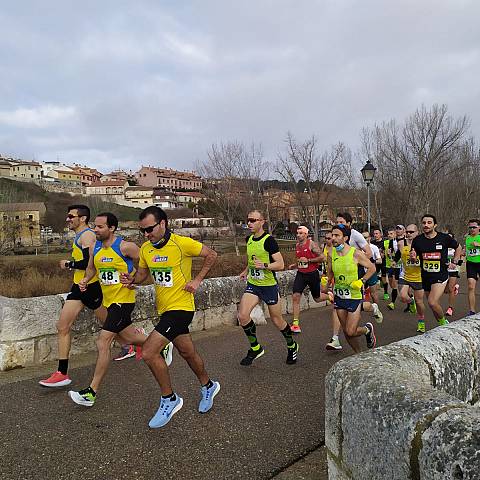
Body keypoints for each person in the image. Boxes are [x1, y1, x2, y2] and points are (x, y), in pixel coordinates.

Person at [121, 206, 219, 428]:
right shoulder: (146, 249)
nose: (146, 234)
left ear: (163, 224)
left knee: (148, 352)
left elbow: (211, 255)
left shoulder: (181, 243)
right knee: (187, 352)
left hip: (182, 307)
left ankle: (169, 399)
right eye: (143, 231)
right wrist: (133, 280)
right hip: (164, 309)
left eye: (150, 229)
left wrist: (197, 280)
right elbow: (144, 274)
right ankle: (208, 385)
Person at [67, 212, 173, 406]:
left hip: (123, 301)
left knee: (103, 341)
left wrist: (134, 277)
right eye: (94, 226)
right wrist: (84, 279)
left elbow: (146, 260)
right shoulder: (95, 248)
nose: (95, 230)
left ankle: (91, 392)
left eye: (100, 227)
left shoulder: (125, 246)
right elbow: (91, 268)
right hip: (109, 301)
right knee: (130, 337)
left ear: (112, 228)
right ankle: (163, 344)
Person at [39, 205, 107, 387]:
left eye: (71, 216)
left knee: (114, 327)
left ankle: (146, 342)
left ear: (82, 218)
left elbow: (90, 263)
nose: (67, 219)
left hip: (91, 286)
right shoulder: (80, 236)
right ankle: (62, 373)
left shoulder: (87, 235)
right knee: (62, 326)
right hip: (78, 287)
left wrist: (69, 264)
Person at [238, 210, 299, 365]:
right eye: (248, 220)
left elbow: (280, 264)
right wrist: (246, 271)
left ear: (262, 222)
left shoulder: (269, 241)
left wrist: (265, 266)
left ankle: (292, 345)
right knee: (243, 316)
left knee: (277, 320)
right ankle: (256, 347)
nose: (249, 223)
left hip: (268, 286)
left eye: (253, 220)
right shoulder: (249, 239)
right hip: (254, 284)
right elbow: (252, 260)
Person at [326, 212, 374, 351]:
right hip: (339, 295)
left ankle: (367, 330)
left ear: (345, 238)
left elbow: (372, 268)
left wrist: (362, 281)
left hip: (354, 295)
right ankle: (358, 355)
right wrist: (326, 284)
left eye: (336, 236)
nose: (333, 239)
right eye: (332, 235)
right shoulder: (331, 253)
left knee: (351, 330)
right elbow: (330, 272)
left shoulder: (355, 253)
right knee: (347, 331)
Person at [410, 214, 461, 329]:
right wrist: (413, 257)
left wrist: (455, 260)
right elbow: (414, 257)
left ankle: (444, 324)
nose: (426, 225)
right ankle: (441, 324)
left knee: (432, 302)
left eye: (429, 223)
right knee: (432, 305)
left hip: (440, 274)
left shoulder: (444, 238)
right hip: (426, 275)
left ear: (435, 225)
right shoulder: (417, 240)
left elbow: (458, 247)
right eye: (424, 223)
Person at [288, 225, 333, 333]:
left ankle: (330, 296)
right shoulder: (297, 245)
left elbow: (323, 257)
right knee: (295, 296)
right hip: (301, 274)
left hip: (312, 274)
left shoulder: (311, 244)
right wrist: (295, 265)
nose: (298, 235)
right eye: (297, 233)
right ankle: (295, 324)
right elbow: (300, 259)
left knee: (317, 298)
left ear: (306, 234)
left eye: (301, 233)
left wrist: (309, 260)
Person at [396, 224, 427, 333]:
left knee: (420, 302)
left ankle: (421, 322)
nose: (409, 234)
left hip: (419, 277)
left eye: (411, 232)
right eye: (407, 232)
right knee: (403, 297)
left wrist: (416, 260)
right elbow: (397, 256)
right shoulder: (400, 243)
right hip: (406, 275)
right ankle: (410, 301)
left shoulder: (424, 244)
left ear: (417, 232)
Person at [465, 219, 480, 316]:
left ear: (479, 227)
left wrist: (478, 245)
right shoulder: (467, 237)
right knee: (471, 286)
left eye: (474, 227)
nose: (472, 229)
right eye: (470, 227)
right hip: (471, 264)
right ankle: (472, 311)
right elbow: (467, 250)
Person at [444, 231, 461, 317]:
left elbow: (460, 259)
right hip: (444, 270)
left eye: (450, 238)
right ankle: (455, 287)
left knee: (450, 289)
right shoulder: (442, 247)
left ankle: (450, 308)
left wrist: (455, 262)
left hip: (453, 270)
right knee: (445, 291)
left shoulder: (455, 247)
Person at [371, 228, 388, 300]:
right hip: (375, 262)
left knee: (384, 278)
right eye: (374, 234)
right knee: (372, 276)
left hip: (383, 262)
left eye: (377, 233)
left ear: (381, 234)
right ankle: (370, 293)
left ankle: (386, 293)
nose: (375, 235)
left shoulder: (385, 242)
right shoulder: (372, 242)